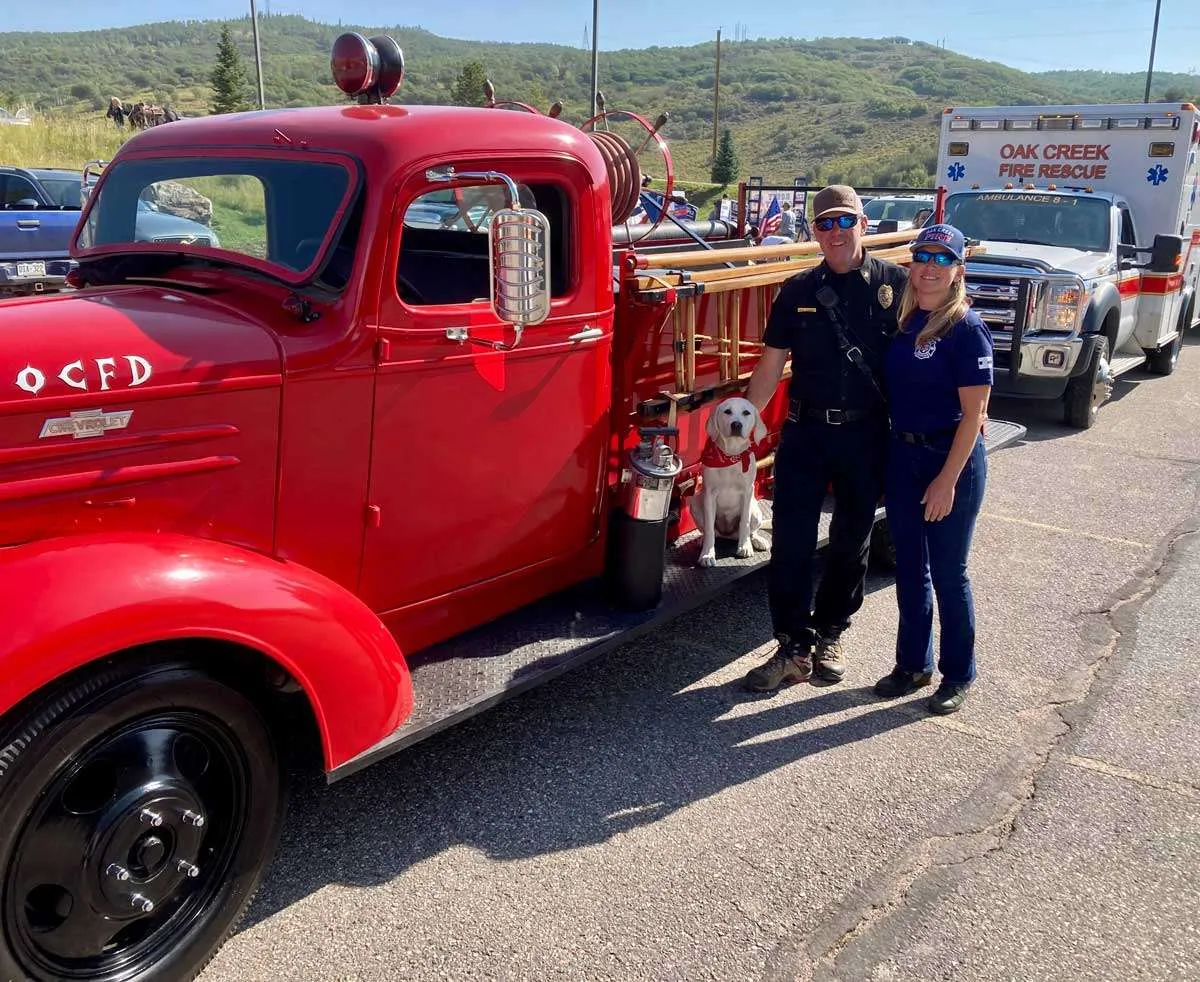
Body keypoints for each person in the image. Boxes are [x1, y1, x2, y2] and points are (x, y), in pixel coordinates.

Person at [743, 185, 908, 691]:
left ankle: (833, 631)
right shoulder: (797, 291)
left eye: (844, 221)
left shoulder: (896, 285)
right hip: (806, 431)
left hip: (866, 432)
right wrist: (745, 421)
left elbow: (922, 355)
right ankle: (792, 646)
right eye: (825, 224)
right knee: (790, 542)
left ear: (863, 222)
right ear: (813, 231)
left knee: (851, 541)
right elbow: (771, 366)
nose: (835, 233)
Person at [872, 224, 992, 715]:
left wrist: (945, 480)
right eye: (922, 256)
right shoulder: (904, 325)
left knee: (948, 573)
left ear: (958, 270)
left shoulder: (966, 329)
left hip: (950, 463)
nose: (929, 268)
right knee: (910, 571)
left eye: (942, 259)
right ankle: (912, 665)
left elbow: (975, 415)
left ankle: (958, 674)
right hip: (904, 456)